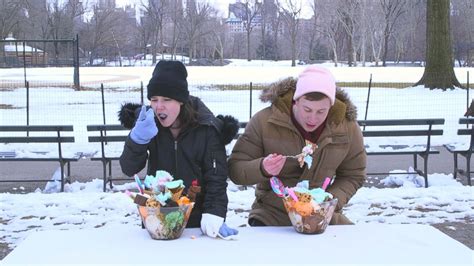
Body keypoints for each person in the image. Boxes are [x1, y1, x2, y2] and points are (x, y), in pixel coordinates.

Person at [228, 65, 366, 226]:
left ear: (331, 106)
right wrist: (262, 168)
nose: (313, 118)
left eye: (321, 111)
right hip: (272, 215)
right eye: (307, 109)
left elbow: (353, 175)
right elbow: (235, 170)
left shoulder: (347, 128)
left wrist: (328, 201)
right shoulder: (264, 121)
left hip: (322, 215)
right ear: (296, 100)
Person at [119, 60, 239, 239]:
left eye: (167, 99)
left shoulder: (206, 127)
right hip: (158, 219)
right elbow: (129, 168)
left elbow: (216, 177)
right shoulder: (147, 124)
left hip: (198, 223)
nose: (159, 106)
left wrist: (214, 214)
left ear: (181, 101)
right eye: (154, 99)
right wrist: (138, 139)